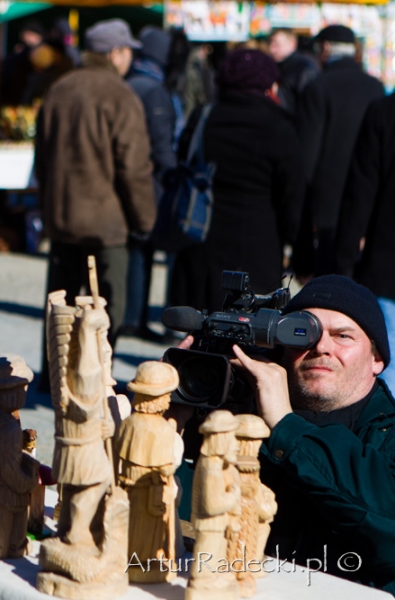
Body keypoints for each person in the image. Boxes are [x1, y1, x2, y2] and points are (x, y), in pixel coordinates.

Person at [210, 275, 395, 594]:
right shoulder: (240, 411)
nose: (321, 346)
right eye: (302, 331)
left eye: (343, 336)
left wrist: (286, 426)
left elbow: (386, 524)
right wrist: (174, 421)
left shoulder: (387, 433)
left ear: (377, 359)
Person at [35, 18, 155, 348]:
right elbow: (134, 167)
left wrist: (48, 210)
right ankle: (98, 379)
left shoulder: (60, 88)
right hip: (107, 223)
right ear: (115, 53)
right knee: (107, 310)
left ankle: (56, 376)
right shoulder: (120, 94)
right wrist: (144, 219)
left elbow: (41, 161)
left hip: (62, 219)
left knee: (62, 307)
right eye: (128, 50)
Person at [169, 49, 304, 313]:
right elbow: (293, 195)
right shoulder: (279, 126)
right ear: (268, 83)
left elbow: (183, 160)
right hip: (259, 246)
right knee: (250, 337)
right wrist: (297, 249)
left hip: (202, 238)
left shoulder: (204, 117)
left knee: (202, 332)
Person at [293, 25, 383, 278]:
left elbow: (306, 160)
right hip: (369, 207)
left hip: (327, 210)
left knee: (328, 288)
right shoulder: (375, 88)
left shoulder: (318, 88)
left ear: (325, 49)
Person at [333, 93, 395, 393]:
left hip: (387, 266)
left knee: (388, 370)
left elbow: (360, 194)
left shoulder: (384, 111)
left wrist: (344, 263)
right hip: (385, 268)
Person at [122, 26, 178, 341]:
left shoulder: (130, 82)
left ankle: (131, 315)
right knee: (142, 248)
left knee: (134, 249)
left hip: (129, 176)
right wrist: (172, 173)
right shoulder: (153, 89)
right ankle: (134, 318)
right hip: (149, 180)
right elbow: (161, 143)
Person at [267, 28, 319, 115]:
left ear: (292, 44)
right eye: (270, 44)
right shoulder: (272, 66)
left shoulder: (303, 69)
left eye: (277, 45)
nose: (272, 49)